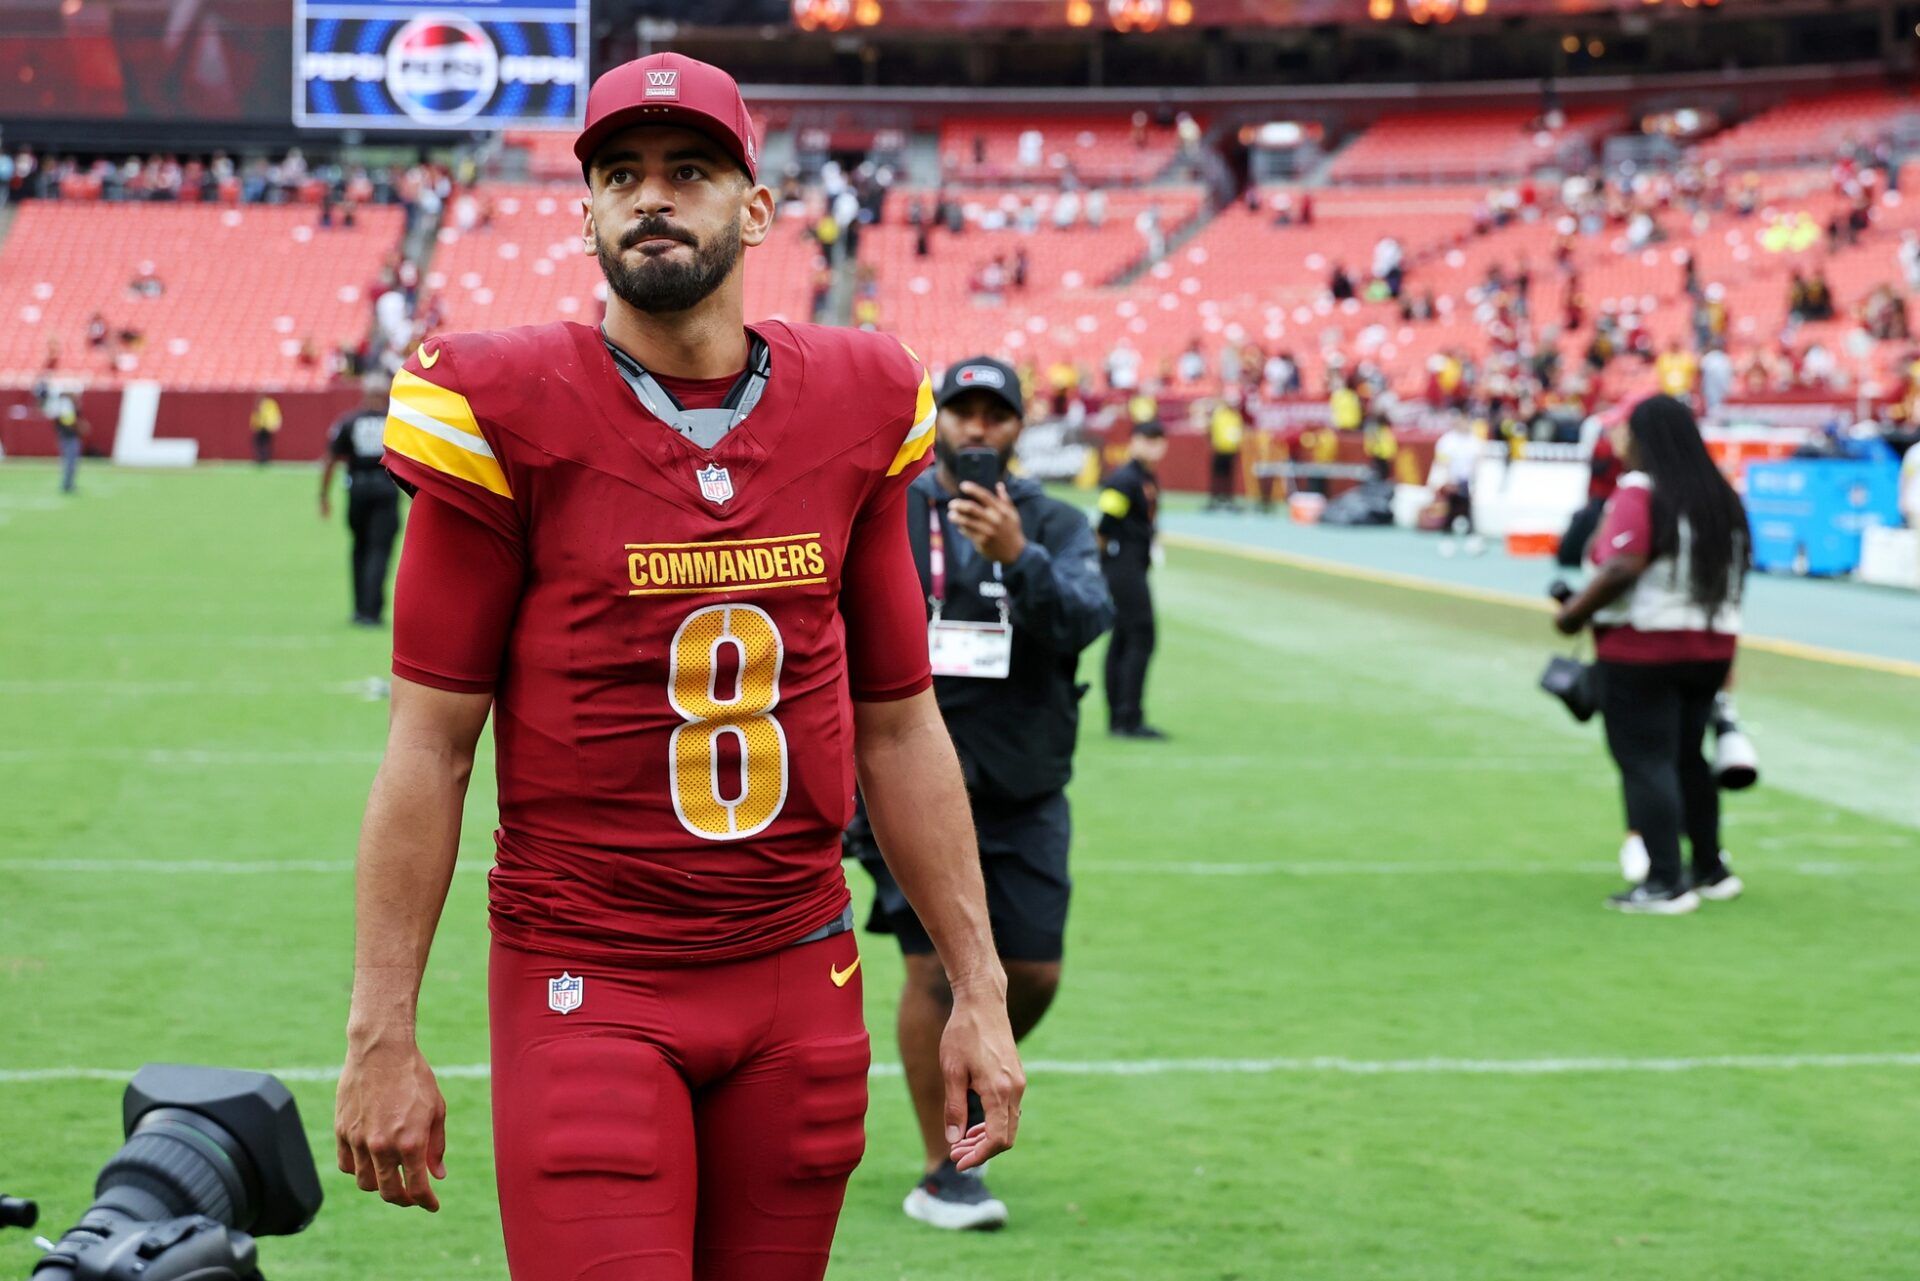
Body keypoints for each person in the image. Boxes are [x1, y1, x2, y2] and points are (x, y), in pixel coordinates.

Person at [331, 54, 1023, 1281]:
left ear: (755, 208)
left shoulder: (860, 395)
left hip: (798, 971)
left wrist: (978, 987)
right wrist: (382, 1030)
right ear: (586, 210)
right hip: (587, 975)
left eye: (690, 171)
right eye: (621, 175)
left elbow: (903, 725)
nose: (653, 197)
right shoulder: (500, 400)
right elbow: (431, 747)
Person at [848, 355, 1111, 1231]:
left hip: (1026, 784)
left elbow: (1083, 620)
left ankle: (964, 1070)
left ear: (1018, 427)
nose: (977, 429)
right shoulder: (891, 511)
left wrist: (1019, 557)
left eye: (996, 415)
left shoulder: (1058, 523)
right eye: (962, 411)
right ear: (939, 420)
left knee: (1030, 972)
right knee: (934, 971)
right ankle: (944, 1168)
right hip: (913, 786)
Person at [1553, 395, 1749, 915]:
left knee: (1645, 760)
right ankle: (1709, 868)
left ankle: (1665, 880)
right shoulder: (1722, 495)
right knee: (1689, 757)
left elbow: (1622, 564)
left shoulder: (1641, 489)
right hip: (1711, 645)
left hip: (1645, 645)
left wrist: (1571, 615)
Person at [1097, 421, 1169, 739]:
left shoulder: (1144, 477)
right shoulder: (1123, 480)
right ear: (1135, 441)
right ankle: (1129, 717)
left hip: (1133, 564)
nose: (1153, 446)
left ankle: (1120, 718)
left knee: (1124, 638)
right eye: (1147, 440)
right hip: (1122, 565)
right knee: (1141, 636)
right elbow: (1103, 525)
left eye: (1157, 441)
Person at [319, 376, 401, 627]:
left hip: (357, 491)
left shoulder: (349, 421)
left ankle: (358, 609)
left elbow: (331, 459)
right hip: (386, 490)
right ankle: (372, 611)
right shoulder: (394, 423)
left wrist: (323, 495)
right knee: (379, 550)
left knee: (359, 549)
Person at [1206, 394, 1244, 510]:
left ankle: (1228, 498)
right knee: (1217, 477)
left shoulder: (1236, 417)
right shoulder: (1219, 415)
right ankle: (1215, 498)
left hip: (1231, 450)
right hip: (1219, 450)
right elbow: (1210, 430)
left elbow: (1238, 432)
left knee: (1229, 477)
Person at [250, 393, 283, 466]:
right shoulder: (269, 404)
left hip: (263, 426)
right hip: (264, 426)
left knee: (262, 443)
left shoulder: (264, 404)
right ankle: (263, 459)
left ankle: (263, 459)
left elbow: (262, 416)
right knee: (263, 444)